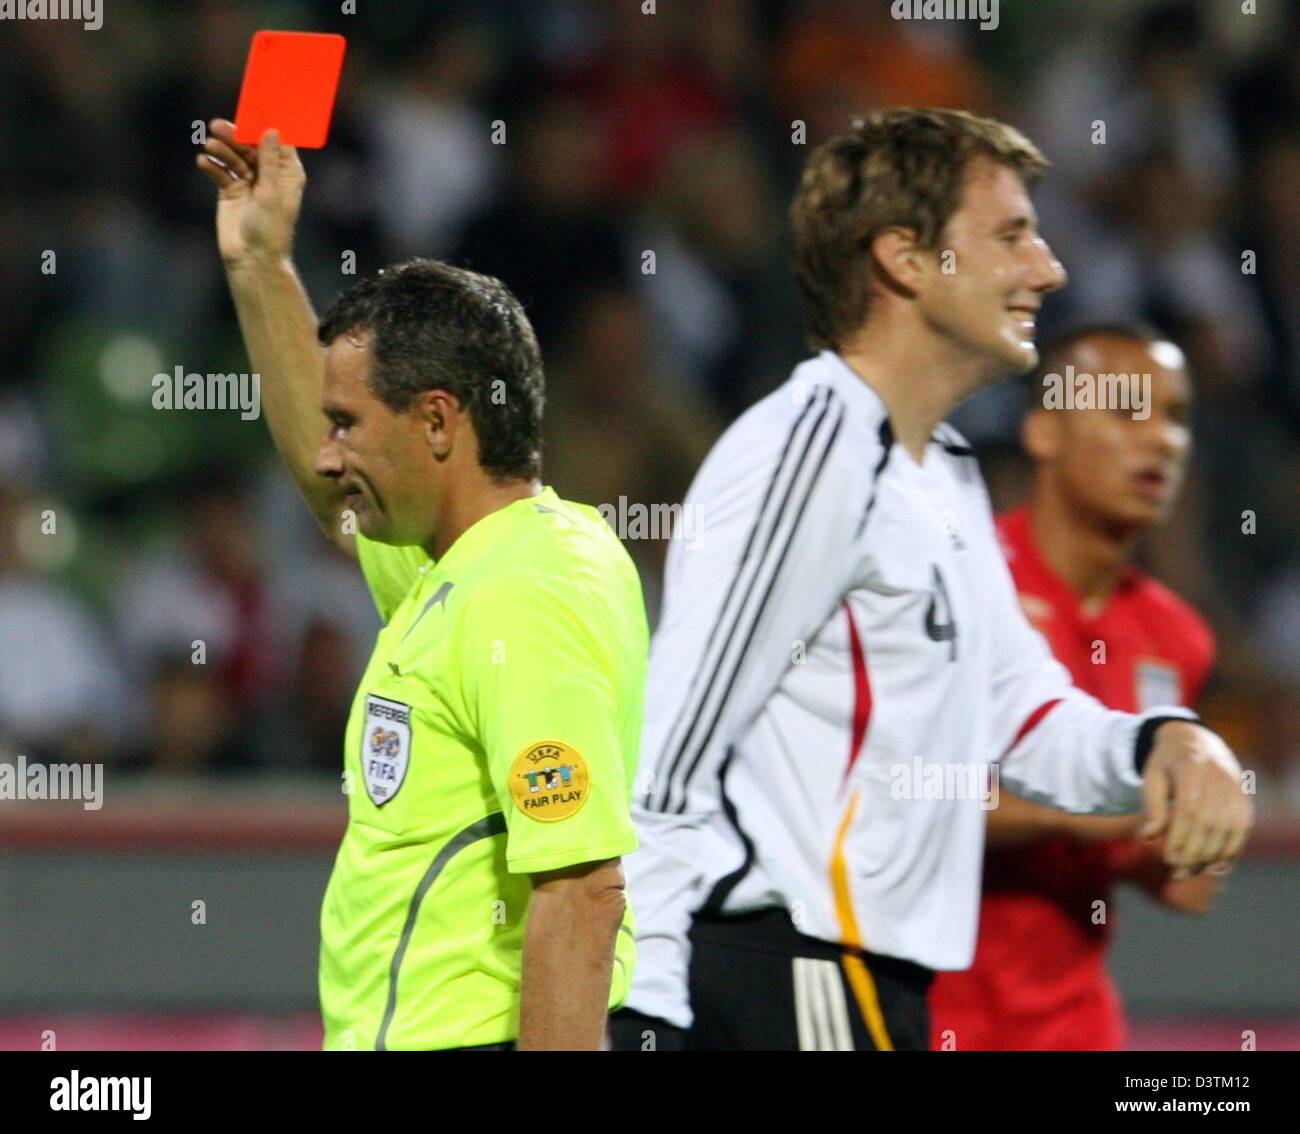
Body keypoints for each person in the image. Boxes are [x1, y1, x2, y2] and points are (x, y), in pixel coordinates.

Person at [611, 109, 1251, 1052]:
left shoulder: (941, 470)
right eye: (1010, 235)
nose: (1048, 268)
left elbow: (1021, 713)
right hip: (791, 976)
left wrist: (1163, 742)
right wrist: (644, 1016)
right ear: (906, 260)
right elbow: (668, 759)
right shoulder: (812, 452)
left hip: (872, 989)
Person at [197, 120, 648, 1051]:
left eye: (349, 424)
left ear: (439, 421)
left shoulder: (524, 594)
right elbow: (337, 507)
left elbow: (580, 890)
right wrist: (260, 265)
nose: (328, 453)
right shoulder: (464, 563)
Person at [929, 325, 1225, 1050]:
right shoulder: (958, 582)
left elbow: (1127, 851)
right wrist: (1082, 814)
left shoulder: (1178, 637)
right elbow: (898, 788)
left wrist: (1172, 855)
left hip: (1074, 1026)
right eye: (1128, 412)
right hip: (932, 1013)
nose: (1161, 441)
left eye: (1177, 417)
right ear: (1044, 432)